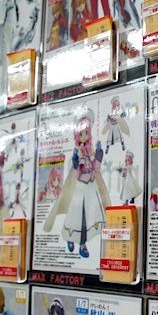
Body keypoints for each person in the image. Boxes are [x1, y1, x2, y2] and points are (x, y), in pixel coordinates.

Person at [44, 110, 111, 259]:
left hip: (90, 188)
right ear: (77, 135)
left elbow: (96, 169)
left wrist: (98, 155)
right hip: (79, 189)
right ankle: (72, 238)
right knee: (76, 217)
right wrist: (76, 164)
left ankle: (82, 243)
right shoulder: (77, 152)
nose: (84, 136)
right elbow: (74, 175)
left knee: (90, 217)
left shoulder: (90, 151)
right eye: (81, 134)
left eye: (86, 133)